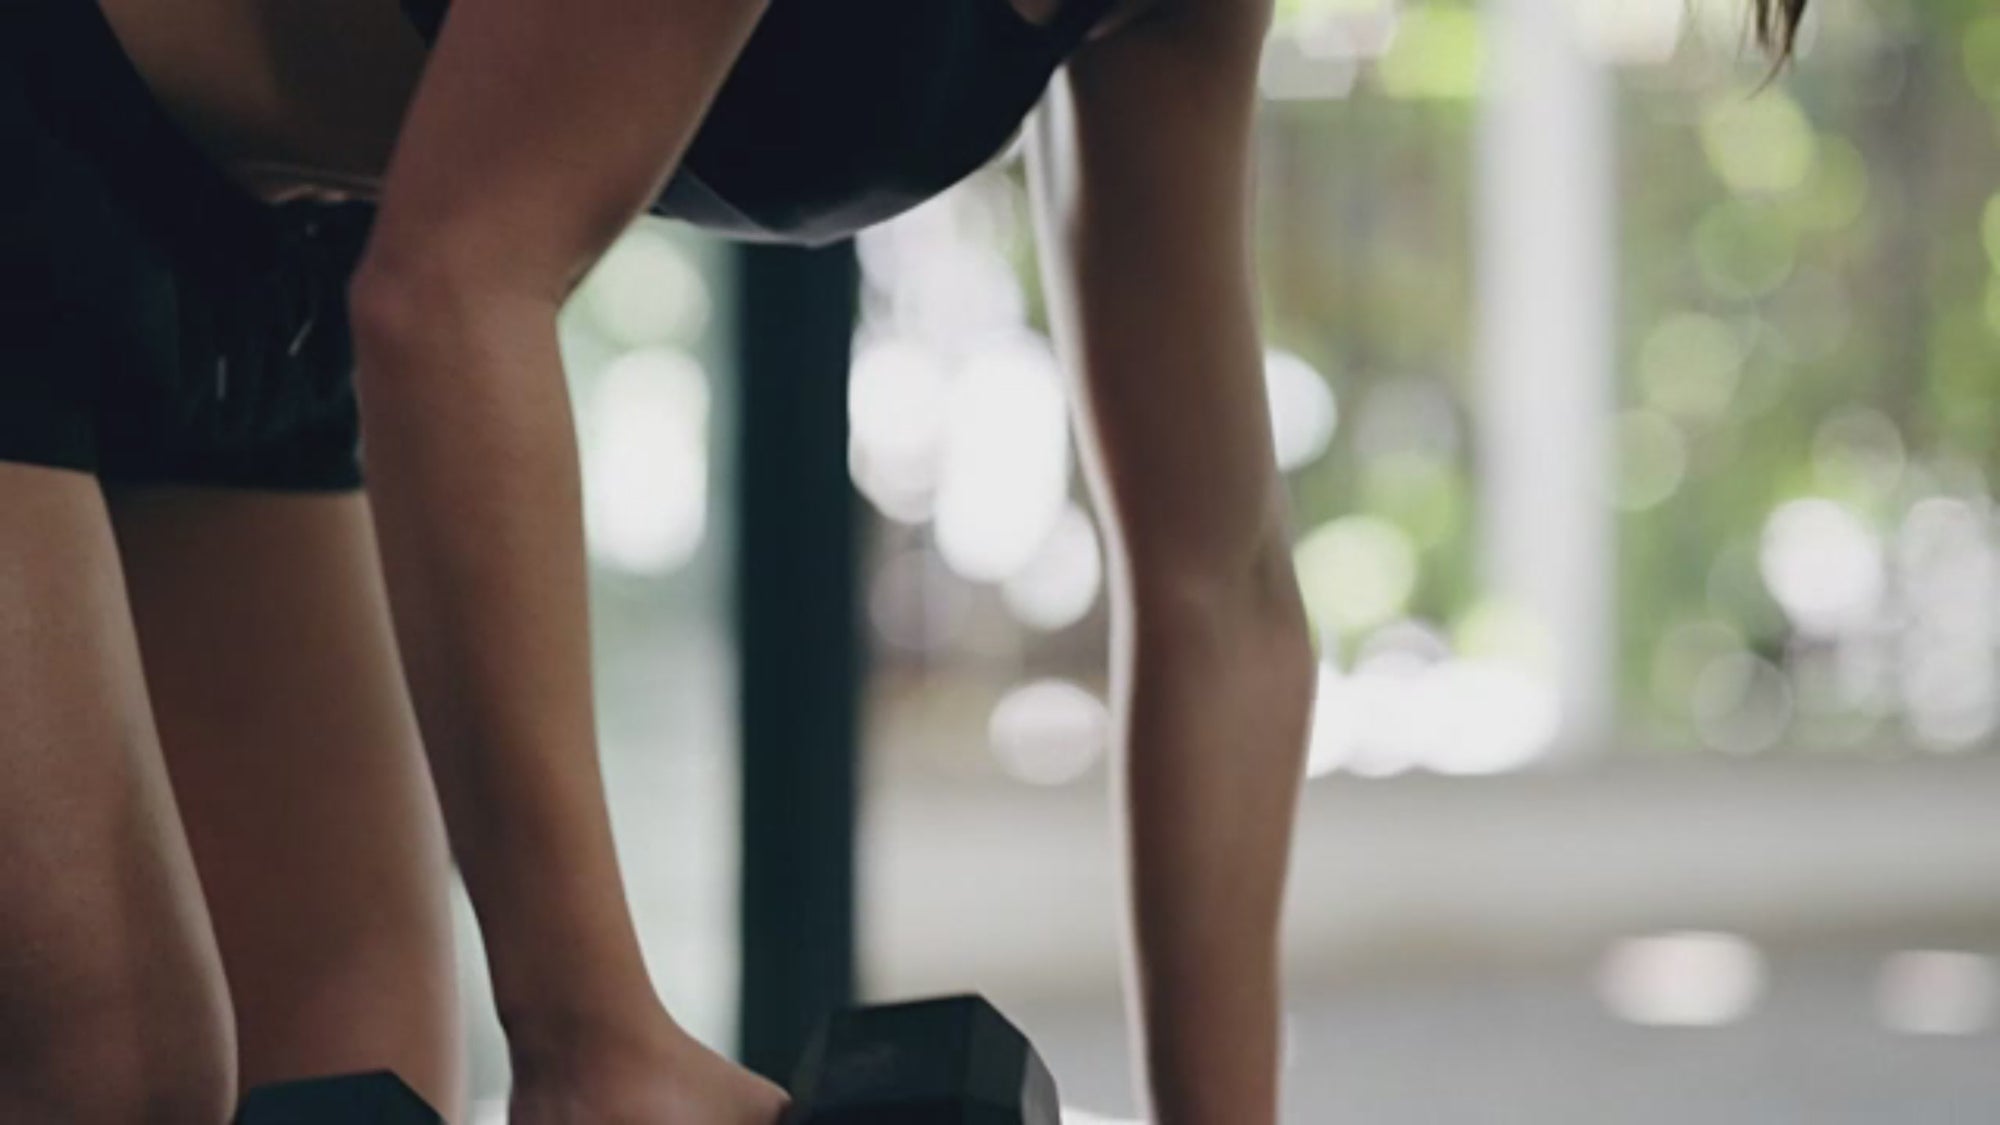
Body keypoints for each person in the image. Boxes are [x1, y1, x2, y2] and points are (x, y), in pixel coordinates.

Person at [0, 0, 1804, 1122]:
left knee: (355, 1069)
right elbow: (463, 286)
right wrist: (592, 1028)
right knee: (119, 1070)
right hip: (44, 115)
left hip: (260, 269)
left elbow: (1219, 589)